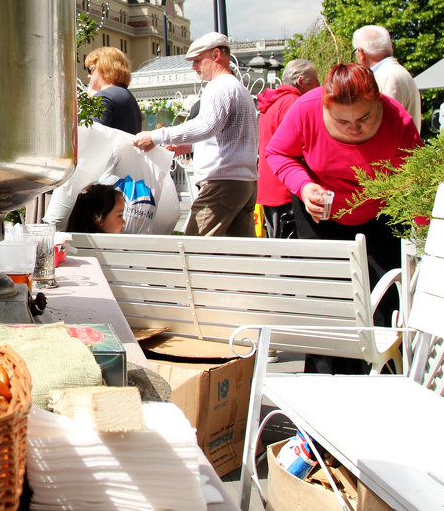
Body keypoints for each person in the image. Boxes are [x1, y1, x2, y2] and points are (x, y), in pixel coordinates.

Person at [266, 63, 422, 373]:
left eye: (364, 118)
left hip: (379, 215)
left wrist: (424, 237)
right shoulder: (305, 109)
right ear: (325, 106)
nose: (354, 128)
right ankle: (323, 379)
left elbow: (416, 180)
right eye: (342, 120)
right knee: (327, 305)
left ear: (378, 102)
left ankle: (380, 377)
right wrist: (304, 185)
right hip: (319, 215)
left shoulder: (397, 121)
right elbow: (278, 153)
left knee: (382, 304)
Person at [133, 32, 259, 237]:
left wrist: (156, 136)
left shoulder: (219, 86)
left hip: (223, 182)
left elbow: (206, 125)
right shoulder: (239, 88)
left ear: (216, 54)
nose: (194, 67)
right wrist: (191, 147)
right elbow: (229, 135)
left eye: (198, 61)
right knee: (241, 254)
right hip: (244, 182)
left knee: (194, 247)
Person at [255, 59, 319, 238]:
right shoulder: (293, 102)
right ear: (301, 81)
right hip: (286, 186)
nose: (319, 85)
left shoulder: (274, 101)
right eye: (315, 80)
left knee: (278, 241)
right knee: (288, 246)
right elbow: (301, 143)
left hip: (270, 184)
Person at [352, 24, 421, 133]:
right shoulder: (397, 72)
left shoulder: (386, 77)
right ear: (391, 47)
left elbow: (384, 126)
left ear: (361, 53)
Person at [84, 46, 143, 134]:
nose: (89, 76)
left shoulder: (104, 97)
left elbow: (91, 134)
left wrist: (89, 104)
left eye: (90, 69)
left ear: (104, 67)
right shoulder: (128, 96)